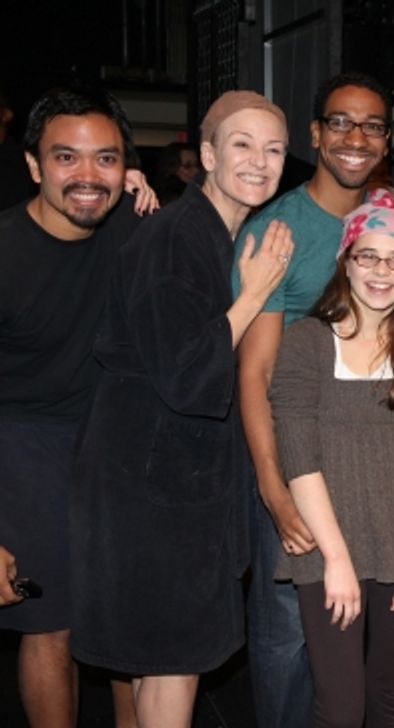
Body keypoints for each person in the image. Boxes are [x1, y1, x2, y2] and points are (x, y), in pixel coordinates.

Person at [69, 90, 293, 726]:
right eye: (242, 145)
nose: (259, 160)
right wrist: (253, 295)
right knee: (173, 661)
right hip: (153, 485)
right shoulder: (175, 238)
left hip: (159, 476)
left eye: (273, 149)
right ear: (209, 155)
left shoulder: (209, 232)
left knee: (156, 664)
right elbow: (190, 376)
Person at [233, 71, 394, 728]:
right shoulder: (276, 229)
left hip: (371, 471)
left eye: (372, 125)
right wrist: (272, 490)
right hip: (293, 469)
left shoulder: (393, 222)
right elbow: (254, 373)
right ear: (316, 133)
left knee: (350, 640)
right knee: (284, 641)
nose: (356, 137)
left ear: (387, 138)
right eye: (341, 122)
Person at [269, 188, 394, 727]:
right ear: (345, 262)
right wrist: (336, 560)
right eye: (367, 256)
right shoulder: (306, 342)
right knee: (342, 707)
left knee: (391, 698)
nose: (381, 271)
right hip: (328, 548)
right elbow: (299, 459)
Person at [0, 84, 157, 728]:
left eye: (106, 159)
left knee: (127, 622)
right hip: (24, 445)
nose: (87, 175)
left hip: (115, 439)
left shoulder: (135, 225)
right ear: (35, 166)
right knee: (51, 626)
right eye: (67, 158)